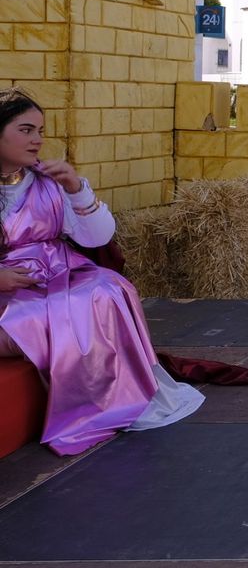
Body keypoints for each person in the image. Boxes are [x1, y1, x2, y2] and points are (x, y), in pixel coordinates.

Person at [0, 88, 204, 455]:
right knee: (51, 315)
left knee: (109, 287)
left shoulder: (46, 183)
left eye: (40, 131)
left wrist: (77, 190)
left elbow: (99, 236)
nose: (38, 141)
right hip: (9, 291)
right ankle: (83, 406)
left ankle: (116, 399)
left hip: (57, 273)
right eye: (26, 130)